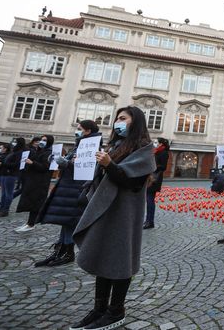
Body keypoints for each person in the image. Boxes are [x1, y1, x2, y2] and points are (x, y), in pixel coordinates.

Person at [70, 106, 156, 330]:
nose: (118, 122)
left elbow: (134, 183)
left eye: (123, 118)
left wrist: (109, 164)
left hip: (125, 211)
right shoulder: (115, 145)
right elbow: (102, 176)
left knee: (120, 258)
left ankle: (116, 310)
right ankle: (99, 309)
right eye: (117, 118)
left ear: (135, 122)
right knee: (102, 253)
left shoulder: (144, 148)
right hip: (105, 207)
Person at [35, 120, 100, 267]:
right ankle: (60, 249)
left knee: (70, 221)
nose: (76, 131)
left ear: (88, 130)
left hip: (76, 189)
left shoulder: (92, 145)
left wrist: (67, 163)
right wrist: (60, 161)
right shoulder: (79, 144)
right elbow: (73, 163)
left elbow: (87, 170)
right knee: (65, 221)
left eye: (79, 128)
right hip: (68, 187)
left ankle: (68, 252)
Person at [15, 135, 54, 232]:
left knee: (36, 204)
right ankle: (29, 223)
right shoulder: (39, 151)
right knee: (32, 203)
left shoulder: (48, 153)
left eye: (44, 140)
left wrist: (32, 163)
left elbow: (45, 167)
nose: (42, 141)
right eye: (41, 139)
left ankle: (31, 224)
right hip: (34, 181)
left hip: (41, 182)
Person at [0, 137, 26, 218]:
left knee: (8, 194)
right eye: (13, 141)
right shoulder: (13, 151)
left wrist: (4, 164)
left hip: (11, 174)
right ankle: (1, 209)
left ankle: (5, 210)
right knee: (3, 194)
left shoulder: (20, 152)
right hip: (5, 174)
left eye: (15, 142)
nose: (14, 143)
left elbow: (16, 164)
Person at [144, 137, 169, 229]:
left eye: (156, 142)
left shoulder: (163, 153)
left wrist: (152, 166)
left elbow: (163, 167)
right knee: (149, 199)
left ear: (161, 144)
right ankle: (148, 220)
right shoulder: (156, 151)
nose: (155, 143)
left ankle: (150, 221)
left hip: (155, 178)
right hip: (151, 177)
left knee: (150, 199)